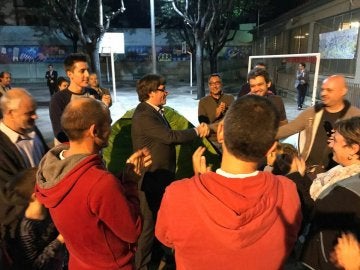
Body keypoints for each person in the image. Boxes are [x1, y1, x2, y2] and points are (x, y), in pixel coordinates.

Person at [155, 95, 302, 269]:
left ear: (221, 131)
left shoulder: (178, 194)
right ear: (271, 147)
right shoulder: (287, 192)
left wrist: (198, 183)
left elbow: (167, 238)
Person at [36, 97, 152, 269]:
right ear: (94, 130)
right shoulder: (100, 183)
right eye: (109, 124)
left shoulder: (50, 168)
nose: (111, 130)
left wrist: (121, 178)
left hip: (79, 262)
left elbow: (87, 204)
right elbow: (132, 232)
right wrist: (130, 183)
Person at [131, 74, 210, 269]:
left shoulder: (155, 111)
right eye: (162, 89)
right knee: (148, 226)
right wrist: (196, 132)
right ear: (150, 92)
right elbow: (169, 136)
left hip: (161, 178)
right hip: (150, 180)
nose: (166, 92)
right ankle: (141, 265)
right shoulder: (144, 115)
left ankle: (158, 257)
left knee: (159, 221)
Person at [299, 116, 360, 270]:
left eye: (336, 141)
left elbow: (316, 209)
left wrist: (295, 177)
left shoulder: (348, 189)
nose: (331, 144)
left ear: (353, 149)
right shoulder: (341, 170)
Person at [0, 88, 48, 269]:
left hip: (43, 218)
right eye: (29, 113)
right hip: (18, 231)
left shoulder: (32, 130)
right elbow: (7, 197)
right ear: (9, 113)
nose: (36, 117)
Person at [277, 75, 360, 174]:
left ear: (343, 91)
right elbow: (289, 128)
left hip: (338, 174)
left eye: (329, 90)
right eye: (323, 89)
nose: (323, 93)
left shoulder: (355, 116)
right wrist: (262, 137)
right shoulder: (313, 112)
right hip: (307, 170)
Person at [8, 167, 66, 270]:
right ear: (35, 196)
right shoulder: (26, 229)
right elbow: (34, 266)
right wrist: (59, 240)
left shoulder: (49, 209)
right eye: (46, 184)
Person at [49, 53, 93, 143]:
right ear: (70, 74)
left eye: (87, 70)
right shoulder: (58, 99)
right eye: (82, 71)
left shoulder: (93, 94)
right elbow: (59, 133)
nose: (87, 74)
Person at [198, 73, 234, 148]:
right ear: (209, 86)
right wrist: (215, 115)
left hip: (227, 138)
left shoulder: (230, 98)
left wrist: (227, 110)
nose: (214, 86)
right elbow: (203, 124)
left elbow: (234, 119)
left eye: (217, 83)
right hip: (212, 140)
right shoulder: (203, 101)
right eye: (211, 84)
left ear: (221, 84)